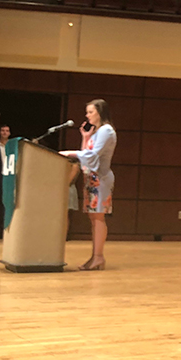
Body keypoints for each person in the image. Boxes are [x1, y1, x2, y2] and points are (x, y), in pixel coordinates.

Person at [59, 99, 117, 271]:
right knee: (93, 218)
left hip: (101, 179)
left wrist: (69, 152)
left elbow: (92, 155)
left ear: (100, 112)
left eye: (90, 112)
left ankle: (98, 257)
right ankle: (95, 256)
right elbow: (87, 154)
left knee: (98, 217)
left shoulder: (106, 130)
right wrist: (85, 138)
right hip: (92, 179)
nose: (87, 115)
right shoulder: (97, 132)